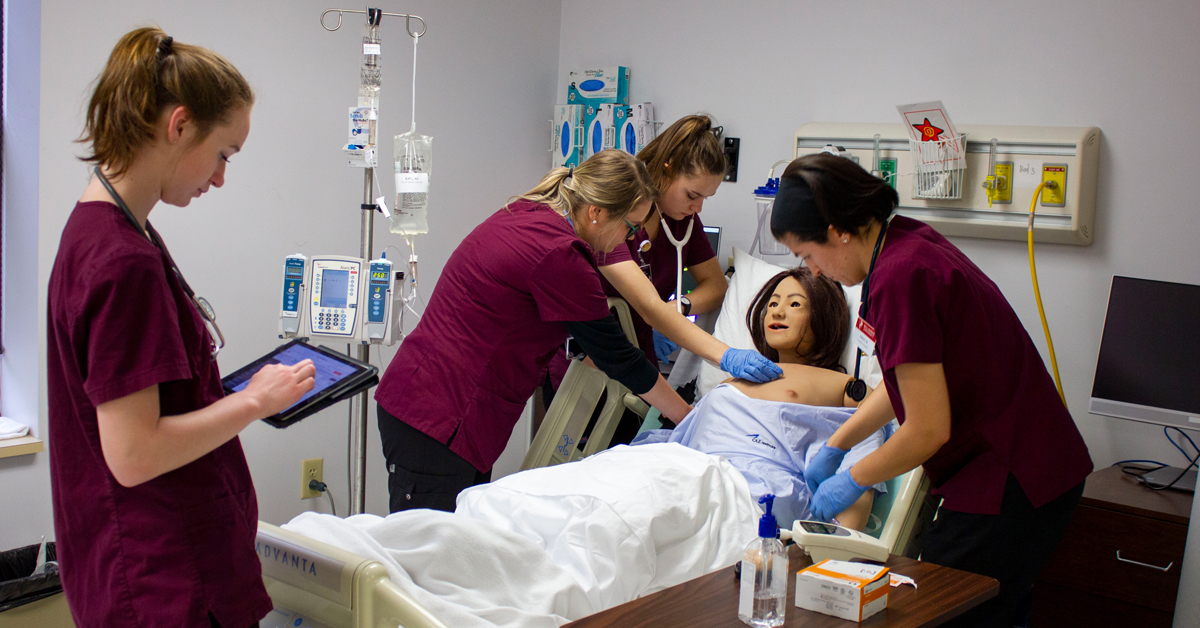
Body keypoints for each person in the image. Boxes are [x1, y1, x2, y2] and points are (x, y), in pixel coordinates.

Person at [47, 28, 316, 628]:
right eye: (224, 153)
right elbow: (135, 454)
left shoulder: (105, 229)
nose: (220, 178)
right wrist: (253, 402)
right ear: (179, 125)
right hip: (165, 582)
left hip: (147, 568)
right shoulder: (120, 260)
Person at [772, 153, 1093, 628]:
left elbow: (927, 428)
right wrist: (837, 446)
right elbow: (908, 380)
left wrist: (854, 477)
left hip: (1011, 480)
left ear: (838, 229)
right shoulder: (904, 244)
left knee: (941, 612)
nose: (813, 271)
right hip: (1032, 468)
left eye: (806, 255)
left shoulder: (901, 276)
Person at [374, 150, 694, 513]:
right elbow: (620, 357)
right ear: (597, 213)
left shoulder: (529, 212)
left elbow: (518, 312)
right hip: (438, 417)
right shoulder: (560, 254)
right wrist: (688, 416)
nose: (631, 239)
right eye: (631, 227)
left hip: (430, 403)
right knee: (426, 553)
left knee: (451, 543)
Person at [637, 266, 886, 529]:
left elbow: (867, 436)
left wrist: (841, 534)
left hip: (752, 492)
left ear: (824, 317)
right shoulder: (735, 375)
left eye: (795, 304)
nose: (776, 311)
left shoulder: (844, 388)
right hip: (687, 473)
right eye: (773, 303)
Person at [596, 115, 782, 383]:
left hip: (639, 357)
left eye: (705, 198)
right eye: (692, 195)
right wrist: (726, 356)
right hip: (592, 355)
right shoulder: (615, 220)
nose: (698, 208)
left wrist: (680, 306)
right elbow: (649, 308)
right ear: (666, 170)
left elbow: (717, 286)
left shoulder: (683, 223)